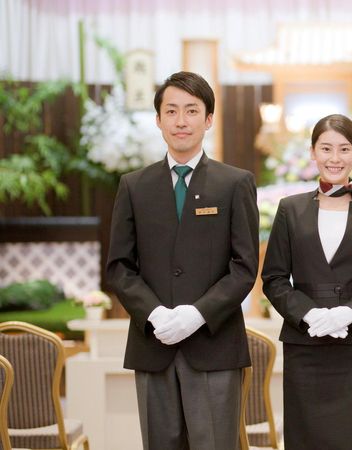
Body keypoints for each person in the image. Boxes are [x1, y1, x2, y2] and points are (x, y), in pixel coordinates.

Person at [106, 71, 259, 449]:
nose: (181, 120)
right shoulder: (134, 186)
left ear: (208, 119)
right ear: (158, 120)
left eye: (191, 110)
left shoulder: (234, 183)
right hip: (152, 344)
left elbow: (244, 267)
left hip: (214, 346)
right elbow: (120, 266)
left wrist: (198, 314)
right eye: (171, 111)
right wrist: (154, 313)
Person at [261, 114, 352, 450]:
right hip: (305, 346)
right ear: (312, 152)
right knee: (308, 438)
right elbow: (274, 278)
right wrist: (309, 314)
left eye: (344, 149)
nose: (335, 158)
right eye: (326, 148)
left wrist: (347, 314)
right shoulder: (290, 209)